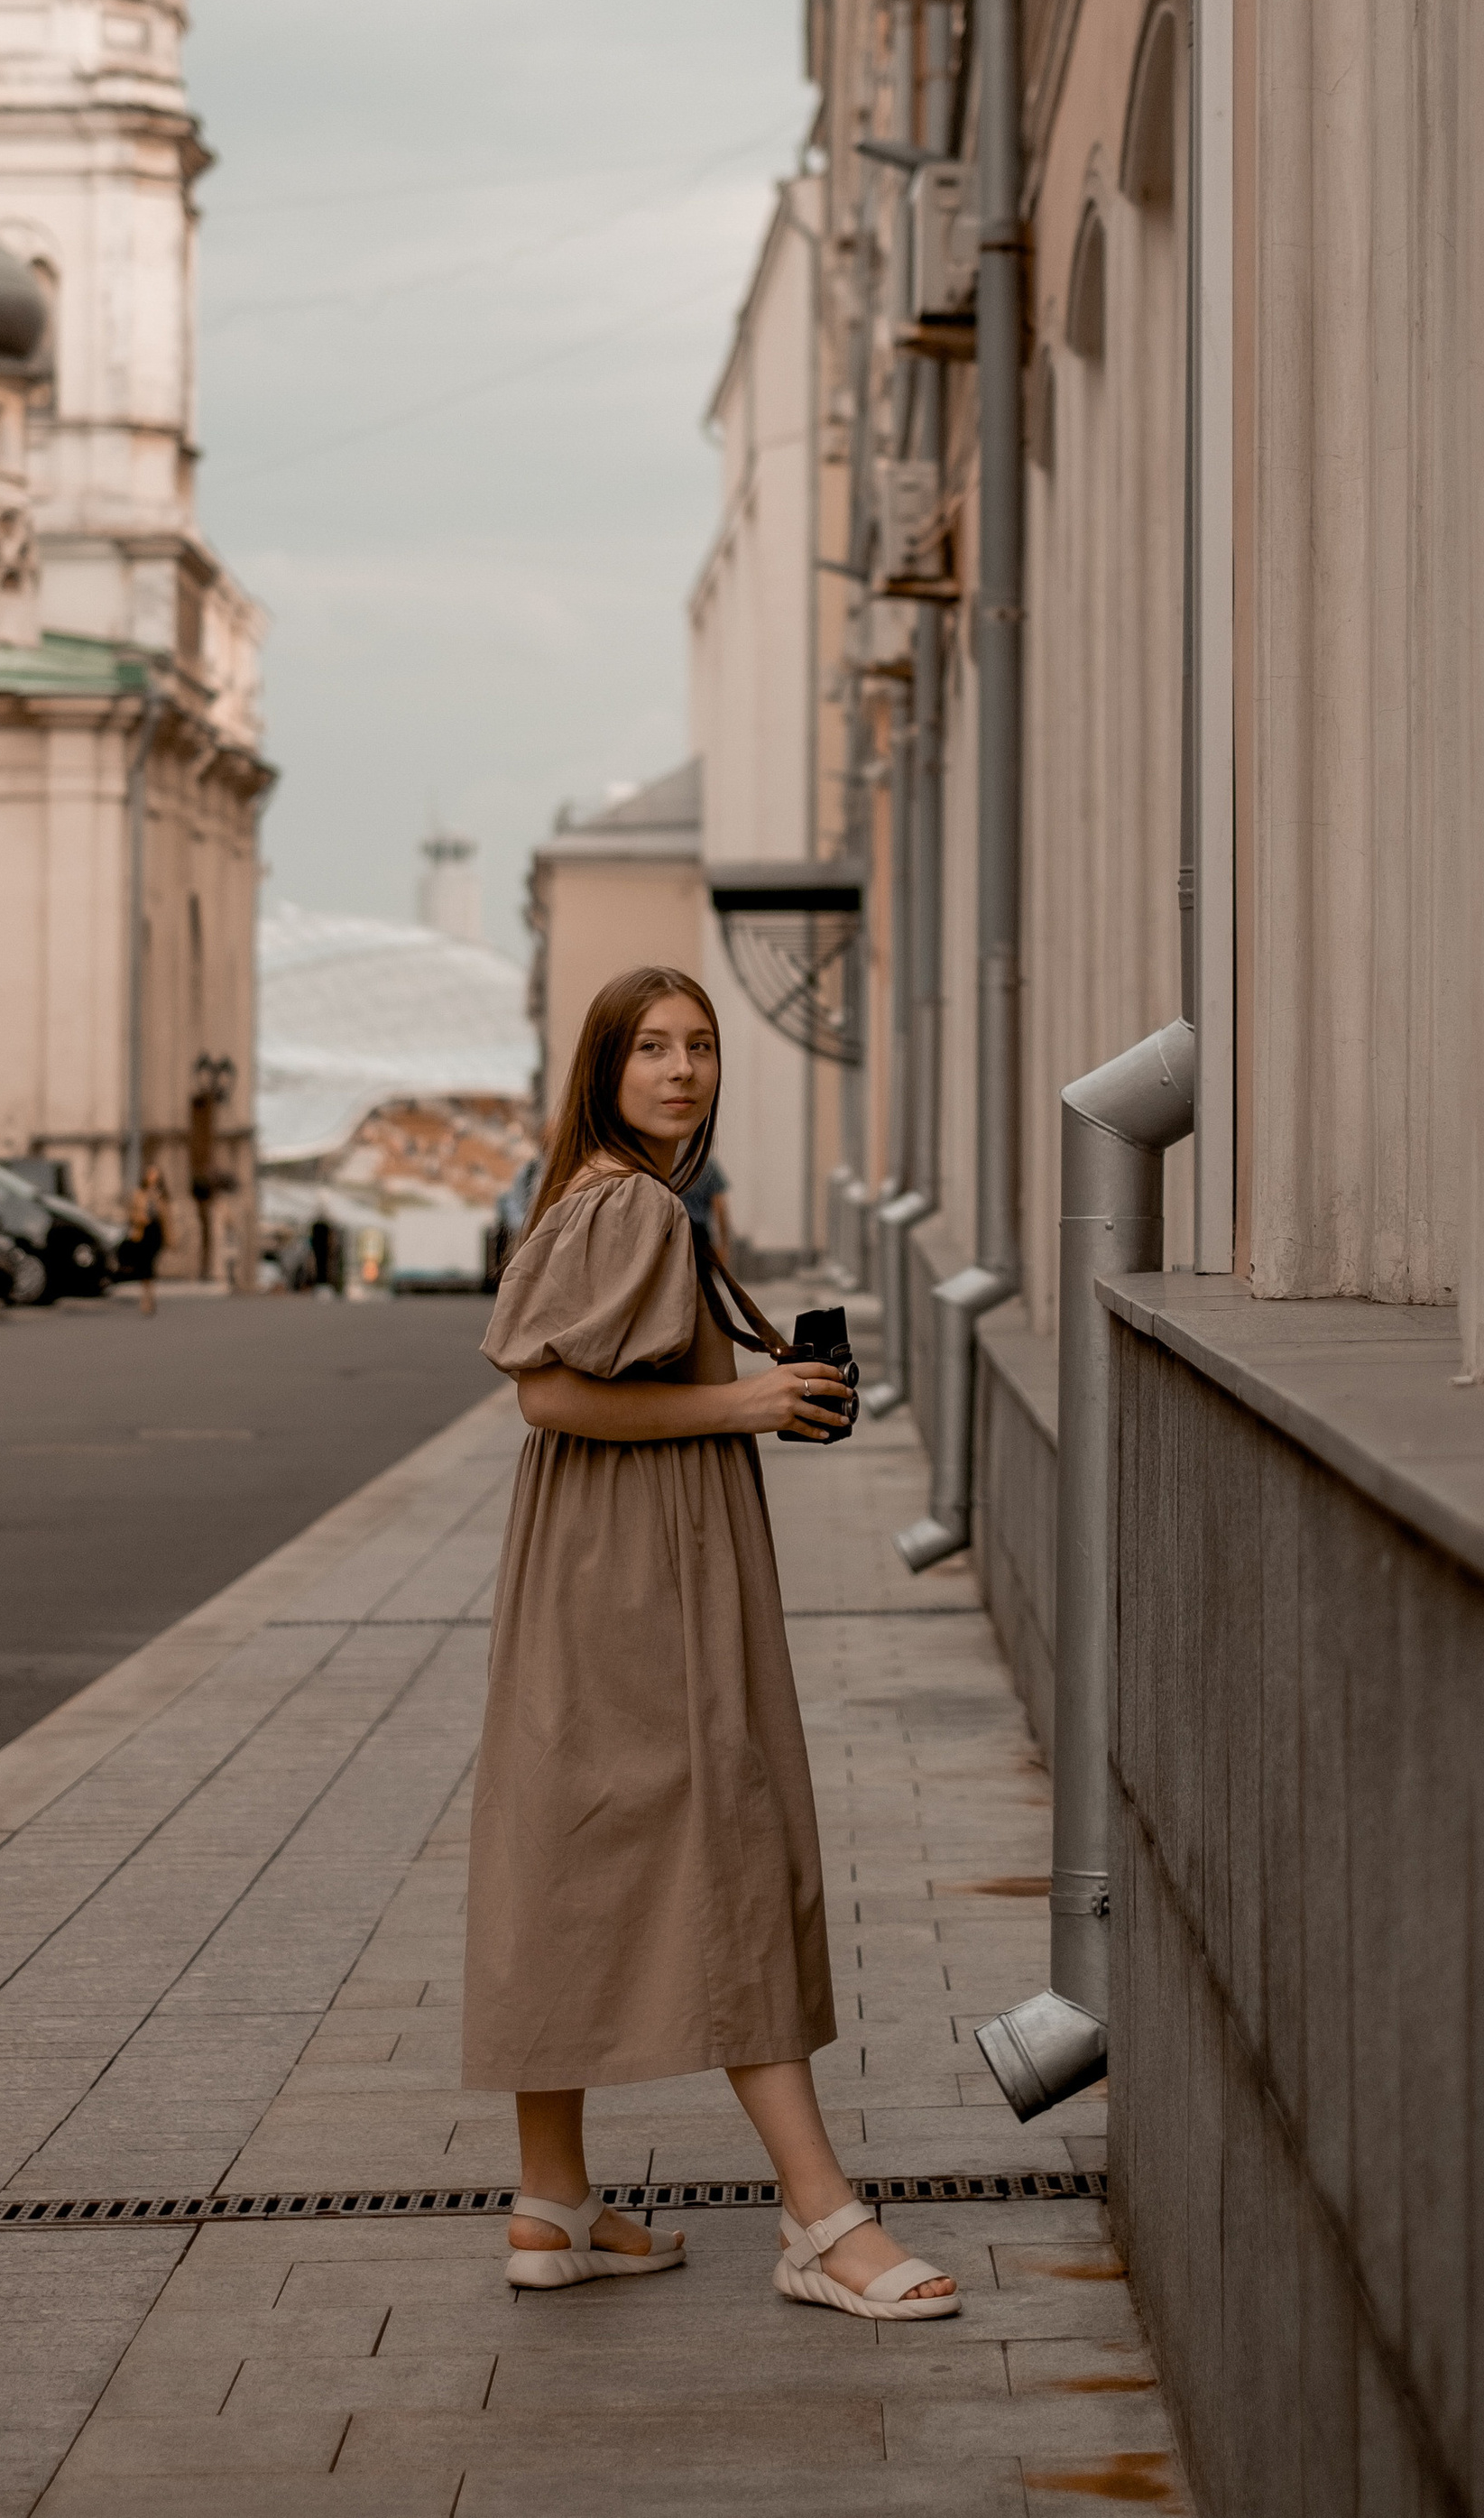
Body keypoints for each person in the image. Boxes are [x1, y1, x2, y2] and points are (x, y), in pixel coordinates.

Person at [463, 964, 961, 2323]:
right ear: (604, 1071)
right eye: (651, 1050)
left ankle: (550, 2201)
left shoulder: (600, 1194)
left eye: (701, 1047)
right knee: (731, 1857)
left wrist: (743, 1394)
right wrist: (741, 1401)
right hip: (647, 1576)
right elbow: (549, 1393)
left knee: (562, 1856)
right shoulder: (630, 1203)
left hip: (591, 1566)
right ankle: (821, 2219)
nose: (681, 1071)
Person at [120, 1167, 168, 1317]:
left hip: (156, 1232)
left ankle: (149, 1295)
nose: (153, 1177)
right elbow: (131, 1214)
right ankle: (147, 1297)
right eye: (151, 1174)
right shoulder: (139, 1194)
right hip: (143, 1232)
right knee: (145, 1265)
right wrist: (140, 1218)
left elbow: (166, 1217)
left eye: (155, 1175)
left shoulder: (161, 1195)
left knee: (151, 1264)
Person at [677, 1145, 731, 1266]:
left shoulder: (666, 1164)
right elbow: (720, 1207)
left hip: (673, 1230)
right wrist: (724, 1243)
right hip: (699, 1233)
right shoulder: (708, 1164)